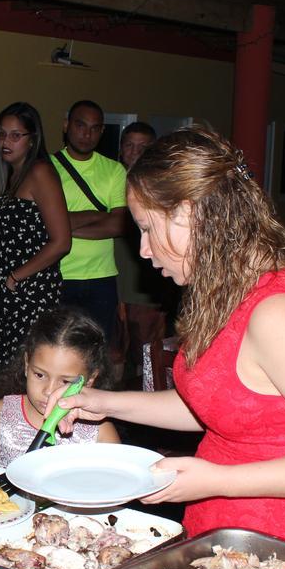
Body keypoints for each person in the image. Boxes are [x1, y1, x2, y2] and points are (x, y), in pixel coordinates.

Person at [52, 126, 285, 565]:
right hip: (229, 532)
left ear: (188, 214)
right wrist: (105, 402)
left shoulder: (279, 311)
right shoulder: (229, 290)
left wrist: (218, 479)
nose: (142, 250)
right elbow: (219, 405)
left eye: (145, 228)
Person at [0, 102, 71, 369]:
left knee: (26, 373)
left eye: (16, 135)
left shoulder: (39, 172)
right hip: (4, 299)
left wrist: (15, 276)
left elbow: (62, 241)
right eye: (1, 134)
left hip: (26, 296)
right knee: (8, 374)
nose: (6, 141)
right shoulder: (12, 177)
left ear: (32, 140)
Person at [0, 306, 121, 465]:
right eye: (40, 375)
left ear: (89, 380)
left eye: (65, 381)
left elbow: (116, 485)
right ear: (27, 365)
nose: (49, 391)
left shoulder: (101, 432)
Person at [51, 100, 127, 343]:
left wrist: (61, 228)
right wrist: (99, 215)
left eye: (95, 128)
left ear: (102, 131)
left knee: (97, 349)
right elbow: (41, 222)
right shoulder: (46, 169)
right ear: (66, 126)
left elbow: (117, 225)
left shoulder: (114, 170)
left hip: (101, 277)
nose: (87, 134)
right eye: (80, 125)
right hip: (57, 273)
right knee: (58, 347)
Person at [113, 121, 179, 385]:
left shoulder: (163, 187)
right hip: (112, 280)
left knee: (148, 354)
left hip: (148, 287)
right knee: (113, 351)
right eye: (129, 145)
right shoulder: (112, 179)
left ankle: (147, 411)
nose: (135, 152)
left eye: (143, 147)